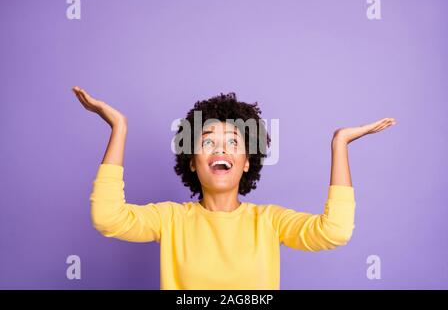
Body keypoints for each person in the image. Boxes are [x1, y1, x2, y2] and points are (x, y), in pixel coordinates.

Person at [71, 86, 396, 289]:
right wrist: (119, 127)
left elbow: (335, 232)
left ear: (247, 161)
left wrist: (340, 144)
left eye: (233, 142)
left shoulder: (269, 222)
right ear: (192, 161)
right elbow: (108, 218)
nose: (220, 149)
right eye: (208, 141)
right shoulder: (170, 219)